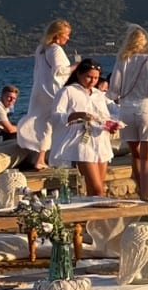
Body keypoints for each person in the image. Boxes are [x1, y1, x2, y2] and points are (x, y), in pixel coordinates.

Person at [109, 24, 148, 201]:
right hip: (147, 109)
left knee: (136, 155)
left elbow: (113, 91)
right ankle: (145, 194)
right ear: (145, 43)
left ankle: (141, 188)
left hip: (126, 111)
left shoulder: (121, 62)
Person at [50, 59, 120, 195]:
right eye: (89, 77)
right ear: (79, 74)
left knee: (98, 188)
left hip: (100, 140)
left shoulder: (99, 94)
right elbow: (55, 116)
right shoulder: (67, 91)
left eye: (96, 78)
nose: (92, 81)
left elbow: (110, 114)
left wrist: (112, 125)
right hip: (81, 141)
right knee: (97, 189)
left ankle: (94, 209)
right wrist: (76, 115)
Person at [17, 18, 72, 169]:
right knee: (57, 123)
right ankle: (51, 158)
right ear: (58, 34)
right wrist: (75, 67)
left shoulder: (41, 49)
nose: (68, 38)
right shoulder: (55, 49)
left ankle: (40, 157)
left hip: (40, 90)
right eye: (66, 34)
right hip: (52, 91)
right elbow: (59, 71)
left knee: (41, 122)